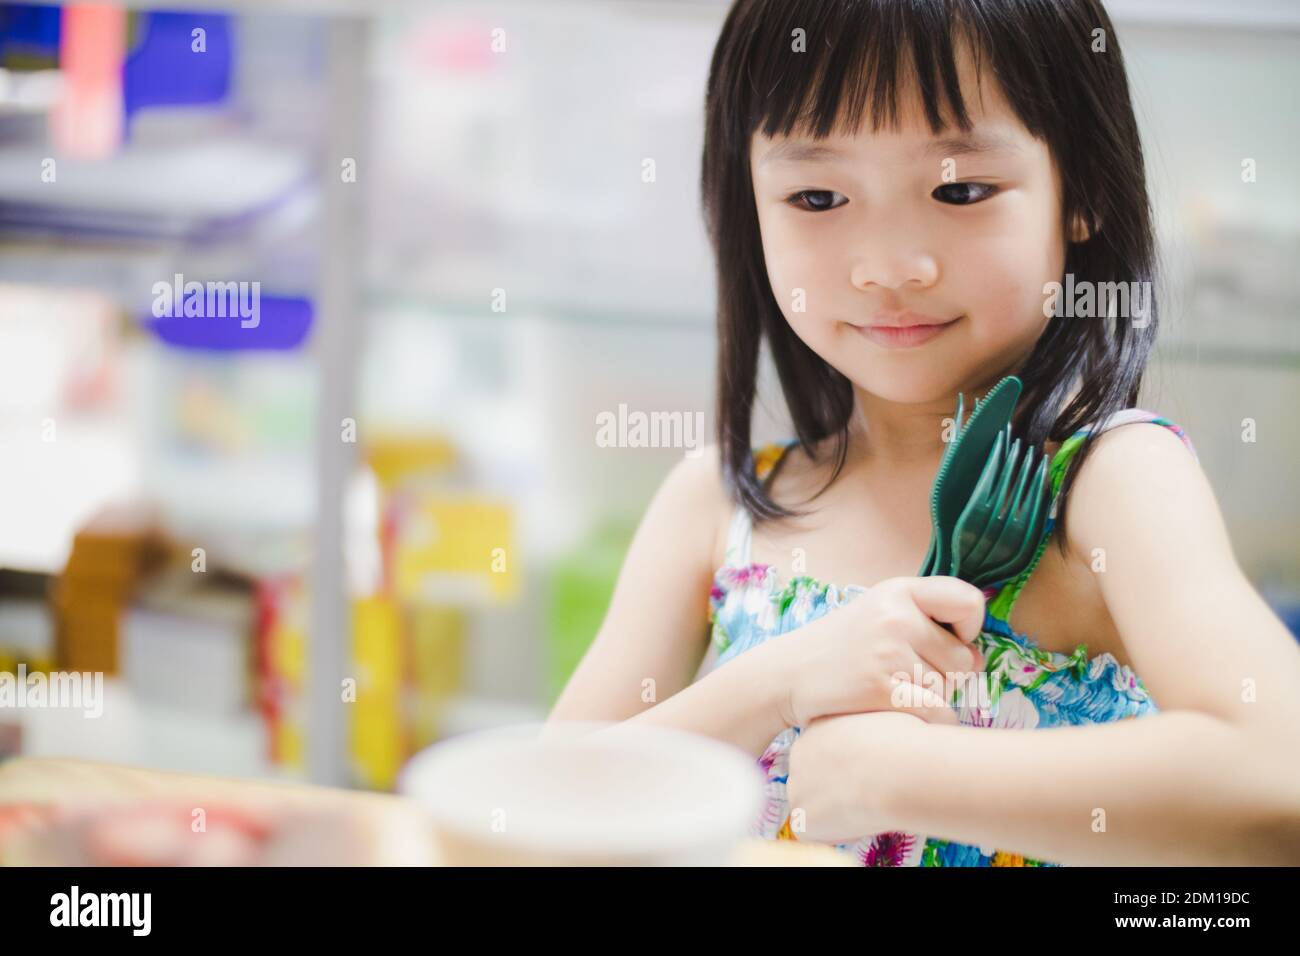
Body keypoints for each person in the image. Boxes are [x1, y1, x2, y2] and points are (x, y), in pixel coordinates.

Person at [548, 0, 1300, 866]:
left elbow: (1276, 776)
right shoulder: (714, 502)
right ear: (747, 209)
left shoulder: (1108, 481)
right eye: (817, 196)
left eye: (960, 190)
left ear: (1084, 190)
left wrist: (903, 774)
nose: (889, 266)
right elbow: (528, 821)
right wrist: (773, 685)